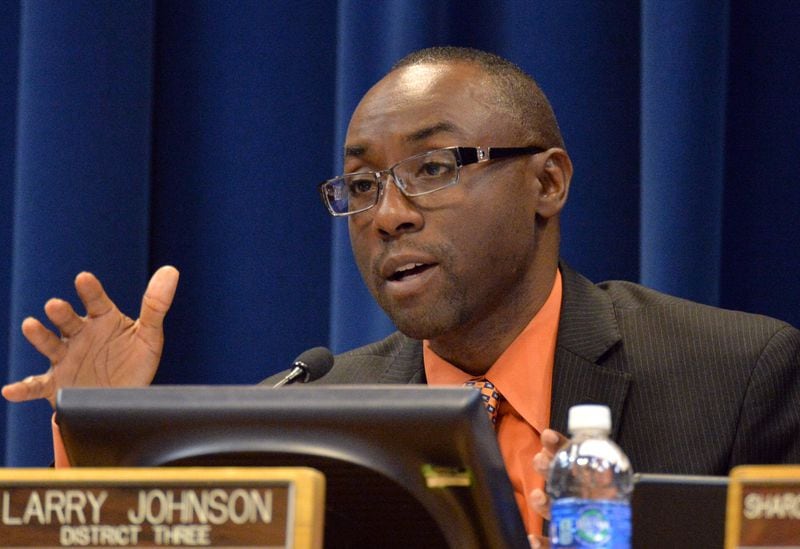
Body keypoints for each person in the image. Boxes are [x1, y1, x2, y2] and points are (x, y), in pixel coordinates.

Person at [3, 47, 800, 544]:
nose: (388, 214)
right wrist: (101, 445)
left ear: (547, 181)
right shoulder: (318, 412)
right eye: (360, 184)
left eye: (434, 168)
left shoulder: (733, 373)